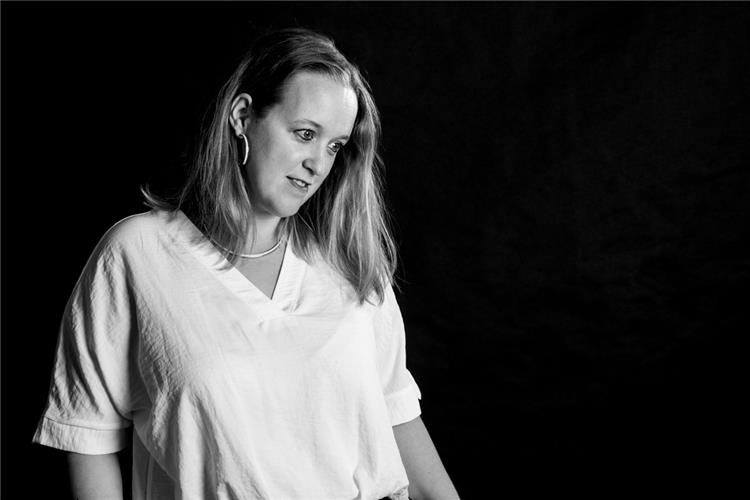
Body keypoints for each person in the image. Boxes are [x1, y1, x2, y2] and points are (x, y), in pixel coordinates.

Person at [32, 28, 460, 500]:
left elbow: (398, 420)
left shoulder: (351, 266)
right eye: (305, 134)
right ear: (242, 116)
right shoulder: (138, 254)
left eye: (335, 146)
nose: (318, 164)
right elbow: (87, 437)